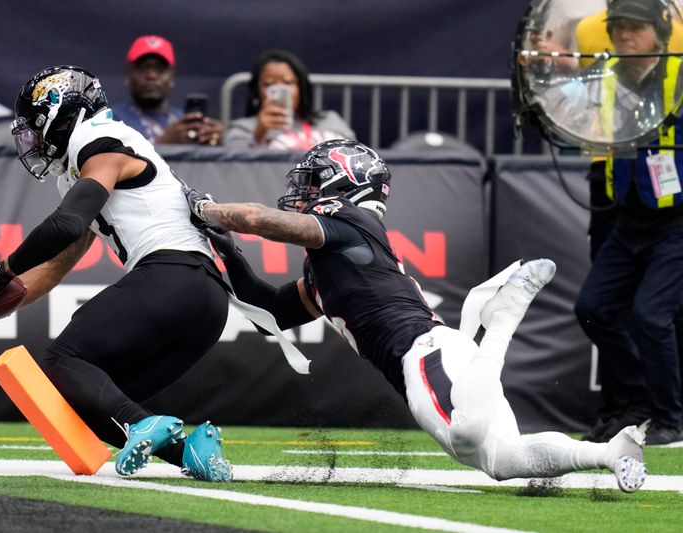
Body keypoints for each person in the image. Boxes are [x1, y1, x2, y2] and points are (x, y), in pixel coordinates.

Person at [184, 138, 649, 493]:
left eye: (313, 180)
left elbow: (262, 220)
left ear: (343, 182)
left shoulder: (349, 224)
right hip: (444, 356)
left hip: (423, 352)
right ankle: (611, 453)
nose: (301, 192)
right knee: (501, 460)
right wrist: (224, 250)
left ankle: (504, 320)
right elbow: (270, 309)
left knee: (467, 434)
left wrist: (206, 210)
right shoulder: (329, 266)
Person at [0, 65, 232, 482]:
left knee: (62, 359)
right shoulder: (88, 164)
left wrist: (1, 270)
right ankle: (193, 453)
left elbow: (66, 224)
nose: (34, 140)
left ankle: (142, 423)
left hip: (172, 274)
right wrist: (2, 297)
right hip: (205, 302)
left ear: (63, 114)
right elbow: (58, 262)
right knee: (89, 406)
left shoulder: (98, 140)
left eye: (36, 127)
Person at [574, 0, 683, 446]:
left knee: (651, 315)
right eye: (617, 27)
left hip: (676, 219)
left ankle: (670, 420)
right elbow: (565, 115)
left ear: (659, 32)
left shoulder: (679, 74)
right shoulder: (605, 77)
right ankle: (640, 399)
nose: (624, 36)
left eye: (635, 28)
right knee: (592, 308)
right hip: (627, 216)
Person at [223, 49, 355, 150]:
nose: (280, 89)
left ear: (301, 87)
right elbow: (236, 171)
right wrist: (258, 135)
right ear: (256, 91)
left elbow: (357, 158)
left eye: (288, 82)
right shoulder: (243, 129)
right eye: (269, 84)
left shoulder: (330, 120)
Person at [111, 35, 225, 146]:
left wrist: (215, 145)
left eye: (160, 69)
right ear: (128, 75)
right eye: (143, 68)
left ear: (172, 78)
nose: (151, 75)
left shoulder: (184, 121)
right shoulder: (112, 120)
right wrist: (164, 145)